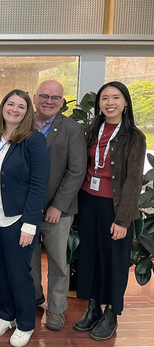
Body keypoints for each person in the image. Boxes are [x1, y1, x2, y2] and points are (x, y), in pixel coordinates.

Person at [0, 90, 50, 347]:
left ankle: (25, 323)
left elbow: (39, 184)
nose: (14, 109)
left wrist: (30, 223)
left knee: (19, 273)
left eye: (21, 106)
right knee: (0, 270)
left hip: (17, 220)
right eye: (10, 104)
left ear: (27, 112)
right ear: (3, 106)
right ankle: (7, 315)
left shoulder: (33, 141)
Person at [74, 81, 146, 341]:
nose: (109, 102)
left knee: (114, 261)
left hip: (114, 207)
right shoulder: (92, 130)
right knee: (90, 256)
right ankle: (93, 307)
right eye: (105, 98)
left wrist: (123, 219)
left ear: (125, 102)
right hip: (88, 203)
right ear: (99, 104)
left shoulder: (134, 137)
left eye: (116, 97)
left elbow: (133, 181)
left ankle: (111, 313)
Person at [29, 80, 87, 331]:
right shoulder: (21, 122)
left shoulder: (72, 129)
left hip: (58, 211)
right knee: (26, 260)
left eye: (55, 98)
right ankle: (34, 297)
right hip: (25, 208)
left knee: (57, 262)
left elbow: (76, 171)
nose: (49, 101)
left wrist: (58, 206)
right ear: (35, 98)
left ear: (62, 102)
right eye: (44, 96)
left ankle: (56, 309)